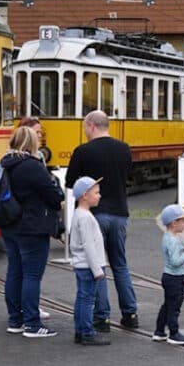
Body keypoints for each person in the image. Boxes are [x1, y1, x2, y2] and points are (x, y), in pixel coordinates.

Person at [64, 110, 139, 331]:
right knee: (120, 264)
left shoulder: (83, 151)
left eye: (85, 127)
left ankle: (102, 317)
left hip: (95, 215)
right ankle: (130, 313)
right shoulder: (124, 148)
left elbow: (70, 182)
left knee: (97, 264)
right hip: (120, 213)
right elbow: (128, 174)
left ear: (91, 126)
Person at [0, 125, 65, 336]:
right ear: (31, 143)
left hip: (9, 225)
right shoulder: (32, 166)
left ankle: (15, 320)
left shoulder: (4, 163)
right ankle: (32, 323)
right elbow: (54, 195)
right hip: (32, 226)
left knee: (14, 272)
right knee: (32, 275)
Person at [67, 177, 110, 346]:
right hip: (88, 266)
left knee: (82, 298)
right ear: (85, 195)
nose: (99, 196)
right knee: (87, 300)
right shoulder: (85, 217)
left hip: (83, 264)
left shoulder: (80, 214)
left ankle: (80, 330)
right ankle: (86, 332)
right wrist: (97, 269)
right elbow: (88, 245)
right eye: (96, 193)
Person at [155, 204, 184, 345]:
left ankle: (159, 331)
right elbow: (176, 261)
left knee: (167, 305)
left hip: (169, 276)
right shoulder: (172, 241)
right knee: (174, 306)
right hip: (174, 277)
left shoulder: (168, 237)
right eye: (183, 220)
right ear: (174, 223)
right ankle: (174, 333)